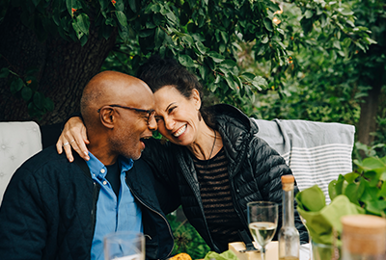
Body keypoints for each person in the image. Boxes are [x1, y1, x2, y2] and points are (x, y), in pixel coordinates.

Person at [57, 57, 309, 253]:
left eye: (172, 109)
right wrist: (76, 122)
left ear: (195, 98)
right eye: (157, 118)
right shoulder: (172, 160)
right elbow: (113, 134)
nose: (170, 123)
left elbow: (298, 234)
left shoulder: (254, 153)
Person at [0, 71, 176, 260]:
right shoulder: (37, 180)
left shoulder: (141, 169)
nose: (154, 125)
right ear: (109, 117)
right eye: (146, 115)